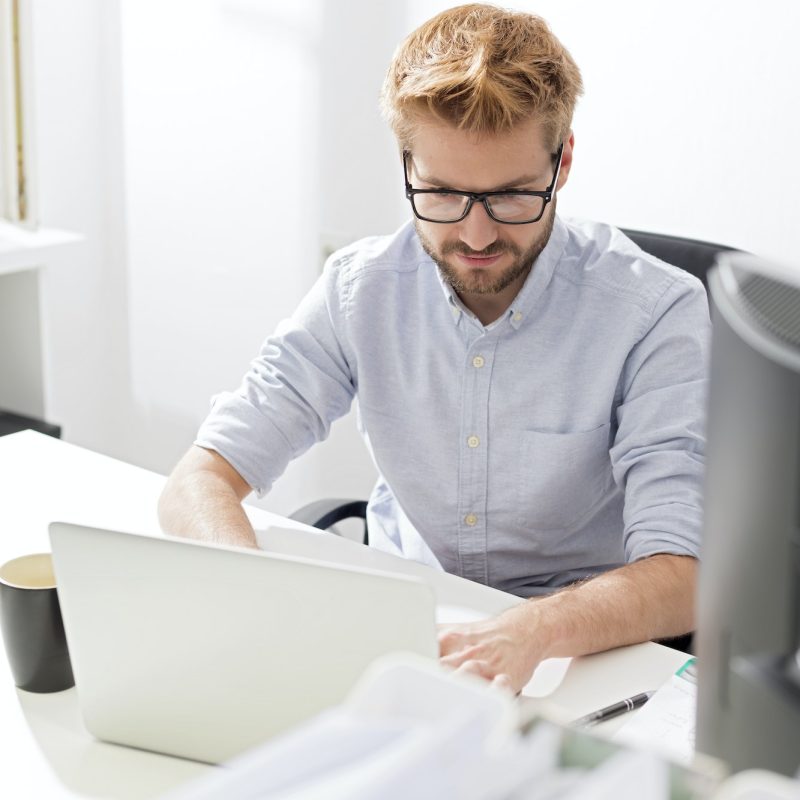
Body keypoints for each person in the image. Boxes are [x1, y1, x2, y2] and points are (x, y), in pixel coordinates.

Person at [159, 3, 709, 693]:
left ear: (562, 160)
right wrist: (257, 590)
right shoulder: (362, 289)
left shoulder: (656, 313)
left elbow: (684, 574)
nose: (476, 237)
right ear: (406, 163)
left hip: (578, 654)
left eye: (511, 196)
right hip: (401, 632)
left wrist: (533, 628)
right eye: (443, 194)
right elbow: (198, 481)